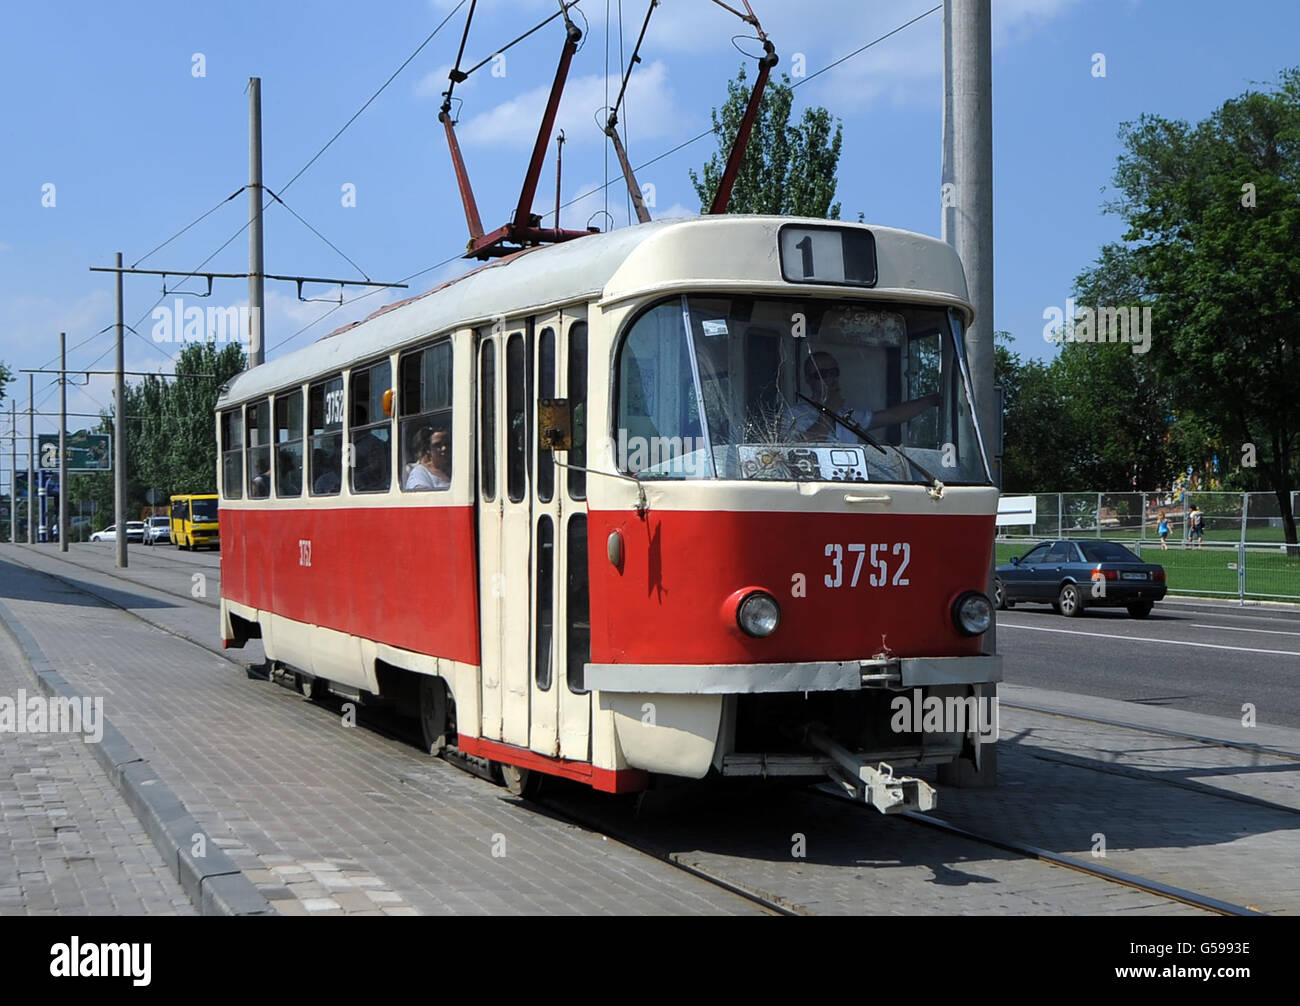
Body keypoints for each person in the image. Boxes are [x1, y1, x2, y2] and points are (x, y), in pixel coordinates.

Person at [788, 350, 941, 443]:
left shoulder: (847, 414)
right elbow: (802, 446)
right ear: (808, 380)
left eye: (834, 373)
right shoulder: (794, 414)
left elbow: (892, 416)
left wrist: (931, 400)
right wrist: (829, 412)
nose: (830, 379)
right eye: (821, 374)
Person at [404, 424, 451, 491]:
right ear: (428, 449)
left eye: (447, 444)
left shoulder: (452, 470)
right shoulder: (420, 473)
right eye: (437, 445)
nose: (444, 448)